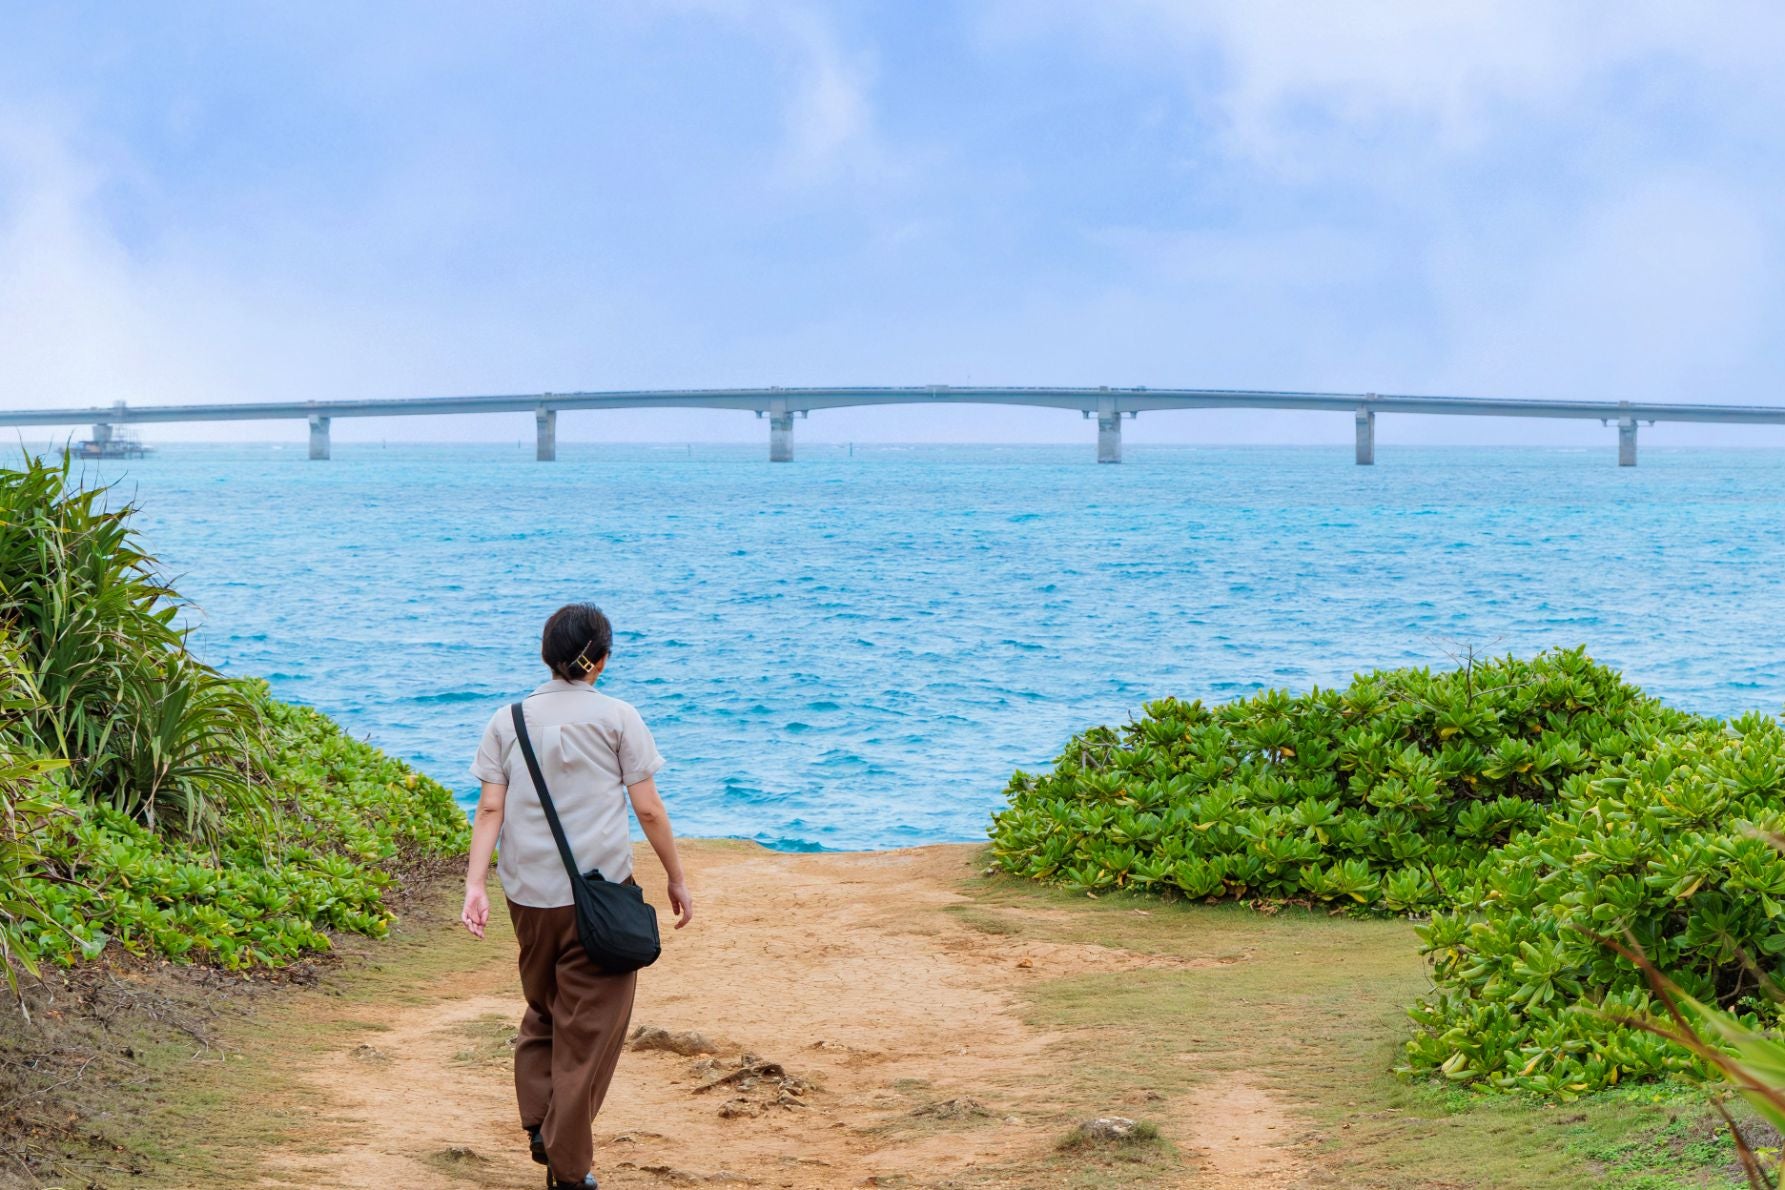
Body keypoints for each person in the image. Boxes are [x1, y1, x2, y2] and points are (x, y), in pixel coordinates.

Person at [461, 603, 694, 1189]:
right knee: (589, 1033)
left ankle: (541, 1119)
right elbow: (646, 807)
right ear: (602, 658)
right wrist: (675, 876)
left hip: (528, 897)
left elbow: (490, 808)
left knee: (545, 1007)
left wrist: (474, 884)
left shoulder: (507, 720)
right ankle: (568, 1168)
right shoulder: (618, 718)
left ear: (548, 653)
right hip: (601, 898)